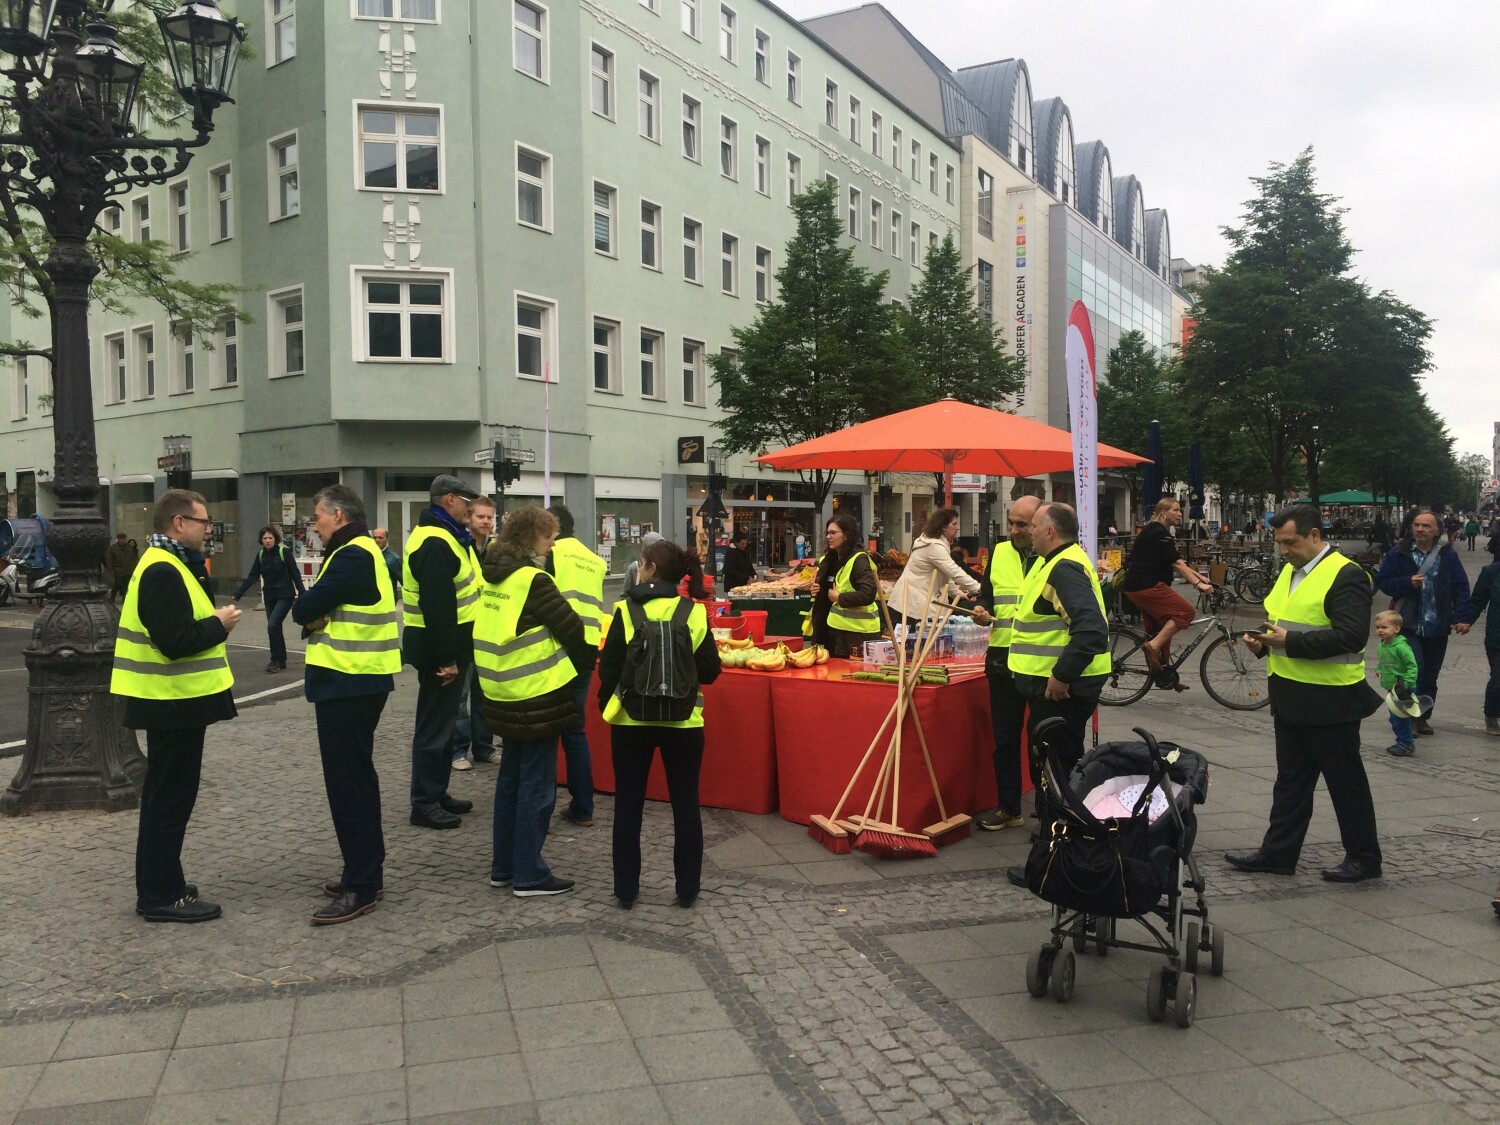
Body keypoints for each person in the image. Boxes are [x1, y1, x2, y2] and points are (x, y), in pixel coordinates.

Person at [1227, 504, 1384, 883]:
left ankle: (1365, 858)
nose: (1283, 550)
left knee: (1346, 783)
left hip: (1331, 699)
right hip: (1290, 694)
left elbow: (1350, 636)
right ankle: (1278, 853)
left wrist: (1289, 642)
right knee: (1291, 782)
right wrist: (1263, 641)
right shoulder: (1289, 572)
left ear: (1315, 536)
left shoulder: (1346, 575)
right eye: (1279, 542)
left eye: (1290, 542)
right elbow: (1279, 620)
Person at [112, 489, 241, 923]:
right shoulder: (163, 570)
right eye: (203, 522)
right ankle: (161, 894)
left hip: (173, 702)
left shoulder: (167, 565)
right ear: (179, 523)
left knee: (164, 797)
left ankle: (159, 883)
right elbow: (175, 642)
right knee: (170, 798)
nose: (209, 530)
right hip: (171, 702)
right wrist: (217, 625)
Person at [294, 485, 400, 925]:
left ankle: (361, 883)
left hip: (349, 681)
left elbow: (304, 609)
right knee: (356, 778)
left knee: (348, 783)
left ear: (337, 515)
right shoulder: (358, 549)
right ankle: (365, 871)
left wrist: (312, 610)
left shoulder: (353, 553)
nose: (313, 524)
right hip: (355, 680)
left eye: (317, 516)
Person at [599, 537, 722, 909]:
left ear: (651, 569)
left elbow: (608, 671)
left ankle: (626, 890)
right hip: (684, 724)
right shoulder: (694, 613)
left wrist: (611, 706)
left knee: (629, 806)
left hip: (630, 723)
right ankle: (687, 889)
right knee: (686, 806)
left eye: (641, 561)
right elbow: (711, 671)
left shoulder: (623, 611)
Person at [474, 506, 589, 896]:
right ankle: (529, 873)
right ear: (531, 540)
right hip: (536, 692)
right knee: (538, 787)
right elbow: (572, 628)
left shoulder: (493, 575)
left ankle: (502, 867)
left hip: (501, 691)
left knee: (510, 781)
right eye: (548, 537)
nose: (553, 543)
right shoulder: (533, 580)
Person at [1004, 502, 1110, 888]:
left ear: (1050, 530)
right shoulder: (1057, 562)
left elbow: (1091, 630)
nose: (1027, 531)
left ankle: (1054, 860)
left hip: (1062, 692)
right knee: (1056, 768)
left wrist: (1062, 676)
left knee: (1054, 773)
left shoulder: (1063, 567)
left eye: (1032, 525)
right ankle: (1056, 844)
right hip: (1056, 689)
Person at [402, 475, 481, 830]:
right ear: (450, 499)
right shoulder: (436, 542)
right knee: (434, 727)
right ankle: (424, 802)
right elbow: (438, 607)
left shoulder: (448, 537)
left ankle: (436, 792)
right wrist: (447, 659)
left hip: (451, 648)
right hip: (440, 653)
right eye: (467, 501)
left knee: (444, 725)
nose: (471, 508)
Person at [973, 495, 1040, 832]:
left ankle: (1049, 812)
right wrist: (983, 611)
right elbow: (986, 594)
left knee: (1042, 738)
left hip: (1041, 662)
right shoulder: (999, 553)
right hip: (1002, 657)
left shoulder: (1052, 557)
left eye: (1021, 525)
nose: (1013, 530)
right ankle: (1008, 807)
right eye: (1010, 523)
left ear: (1039, 524)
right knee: (1005, 739)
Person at [1376, 510, 1471, 736]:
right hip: (1407, 625)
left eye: (1426, 526)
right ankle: (1408, 717)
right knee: (1412, 671)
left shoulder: (1447, 556)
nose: (1420, 529)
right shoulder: (1398, 553)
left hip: (1437, 625)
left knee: (1430, 675)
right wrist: (1407, 583)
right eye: (1417, 525)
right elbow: (1384, 582)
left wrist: (1462, 617)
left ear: (1436, 531)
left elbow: (1460, 586)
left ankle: (1423, 717)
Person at [546, 503, 608, 827]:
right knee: (575, 729)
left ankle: (540, 803)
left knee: (544, 727)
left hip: (555, 645)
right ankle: (583, 806)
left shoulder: (551, 554)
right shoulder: (594, 560)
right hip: (586, 648)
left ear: (553, 527)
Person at [1122, 498, 1214, 675]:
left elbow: (1179, 561)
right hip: (1147, 586)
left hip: (1137, 586)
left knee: (1160, 628)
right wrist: (1198, 585)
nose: (1180, 514)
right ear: (1163, 512)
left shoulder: (1156, 530)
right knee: (1185, 612)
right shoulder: (1159, 532)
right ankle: (1153, 646)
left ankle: (1163, 674)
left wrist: (1202, 579)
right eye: (1176, 510)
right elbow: (1177, 565)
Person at [451, 497, 499, 771]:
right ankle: (458, 750)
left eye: (490, 517)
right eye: (481, 517)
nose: (486, 522)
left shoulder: (495, 550)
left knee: (486, 693)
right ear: (468, 518)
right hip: (465, 629)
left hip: (488, 631)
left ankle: (484, 747)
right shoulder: (460, 547)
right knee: (461, 696)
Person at [886, 509, 982, 632]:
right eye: (954, 524)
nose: (957, 528)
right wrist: (979, 589)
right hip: (913, 605)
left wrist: (960, 594)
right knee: (916, 646)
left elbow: (945, 577)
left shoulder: (935, 544)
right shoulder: (934, 546)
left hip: (913, 604)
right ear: (943, 527)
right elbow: (954, 571)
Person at [233, 525, 305, 674]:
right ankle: (281, 660)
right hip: (270, 596)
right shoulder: (261, 555)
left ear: (275, 539)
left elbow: (295, 574)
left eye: (270, 538)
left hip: (285, 595)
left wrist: (303, 594)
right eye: (265, 538)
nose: (267, 541)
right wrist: (239, 592)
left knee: (272, 625)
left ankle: (275, 660)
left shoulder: (283, 552)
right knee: (275, 627)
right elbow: (253, 575)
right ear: (261, 540)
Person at [809, 514, 879, 658]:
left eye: (833, 533)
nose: (829, 537)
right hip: (832, 631)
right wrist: (818, 590)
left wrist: (840, 597)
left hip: (856, 635)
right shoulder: (828, 559)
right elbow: (831, 588)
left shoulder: (859, 560)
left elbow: (868, 594)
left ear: (846, 535)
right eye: (827, 533)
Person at [1464, 551, 1500, 738]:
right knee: (1498, 679)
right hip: (1497, 637)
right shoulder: (1491, 572)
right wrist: (1466, 620)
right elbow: (1477, 600)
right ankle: (1492, 713)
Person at [1374, 610, 1419, 757]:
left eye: (1384, 627)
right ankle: (1402, 741)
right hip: (1391, 688)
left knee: (1400, 718)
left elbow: (1412, 666)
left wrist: (1407, 683)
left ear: (1397, 629)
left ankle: (1406, 743)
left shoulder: (1401, 647)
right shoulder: (1382, 646)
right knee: (1394, 718)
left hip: (1403, 689)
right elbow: (1382, 663)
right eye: (1378, 627)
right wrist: (1379, 670)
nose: (1380, 630)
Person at [104, 532, 138, 604]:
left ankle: (124, 599)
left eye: (124, 539)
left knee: (126, 585)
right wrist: (110, 568)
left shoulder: (129, 548)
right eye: (121, 539)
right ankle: (112, 596)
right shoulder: (113, 548)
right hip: (118, 570)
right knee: (118, 584)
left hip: (128, 570)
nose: (122, 540)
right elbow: (109, 559)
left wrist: (134, 567)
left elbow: (134, 558)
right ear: (118, 539)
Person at [371, 527, 402, 595]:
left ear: (387, 539)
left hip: (387, 600)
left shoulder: (393, 559)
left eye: (380, 537)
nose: (377, 540)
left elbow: (404, 581)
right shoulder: (368, 556)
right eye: (374, 537)